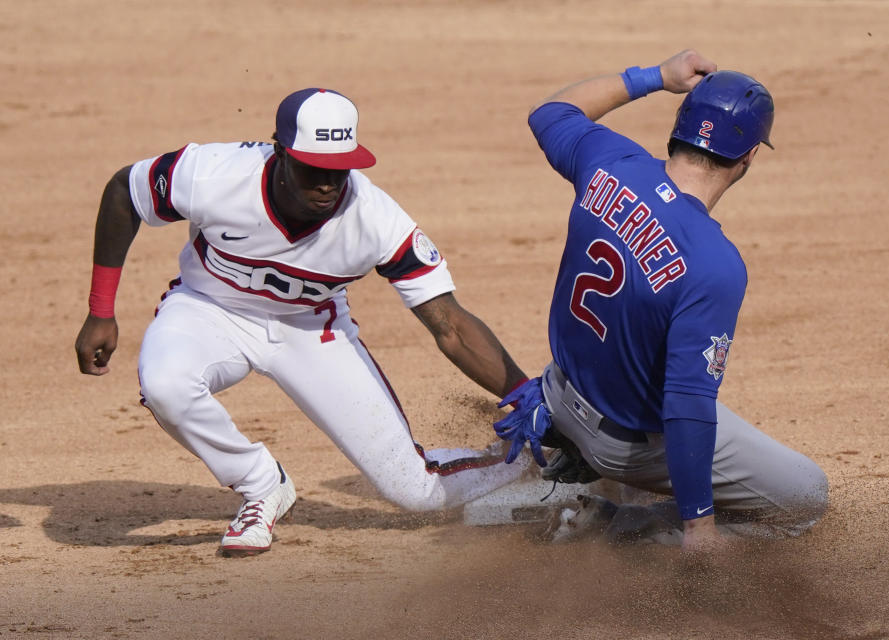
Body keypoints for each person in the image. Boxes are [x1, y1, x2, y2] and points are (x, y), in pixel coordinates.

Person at [74, 88, 541, 556]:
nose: (326, 184)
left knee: (413, 489)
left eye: (338, 170)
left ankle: (540, 466)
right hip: (207, 310)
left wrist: (530, 399)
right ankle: (261, 485)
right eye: (313, 168)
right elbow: (124, 192)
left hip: (312, 330)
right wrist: (101, 309)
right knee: (165, 385)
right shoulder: (213, 174)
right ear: (279, 152)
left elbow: (452, 327)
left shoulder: (375, 219)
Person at [492, 50, 828, 552]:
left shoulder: (611, 163)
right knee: (807, 497)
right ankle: (625, 528)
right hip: (621, 443)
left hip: (559, 393)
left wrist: (655, 77)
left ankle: (585, 463)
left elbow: (551, 113)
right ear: (749, 156)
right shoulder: (714, 263)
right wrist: (699, 525)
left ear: (681, 125)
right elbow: (687, 404)